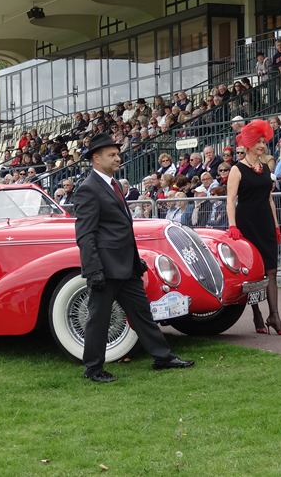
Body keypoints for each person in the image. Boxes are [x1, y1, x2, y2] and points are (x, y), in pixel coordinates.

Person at [73, 133, 194, 383]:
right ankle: (93, 368)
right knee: (99, 318)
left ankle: (162, 356)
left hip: (126, 265)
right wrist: (93, 270)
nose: (118, 158)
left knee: (142, 313)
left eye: (118, 154)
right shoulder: (88, 189)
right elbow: (85, 234)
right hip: (105, 267)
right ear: (96, 159)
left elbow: (123, 229)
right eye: (112, 155)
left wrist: (135, 259)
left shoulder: (114, 185)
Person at [226, 120, 281, 335]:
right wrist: (232, 226)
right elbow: (230, 200)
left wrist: (275, 226)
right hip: (246, 222)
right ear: (248, 145)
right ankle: (256, 313)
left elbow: (270, 199)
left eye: (264, 142)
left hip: (265, 221)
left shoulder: (265, 168)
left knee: (271, 271)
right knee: (254, 273)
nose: (262, 145)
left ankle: (274, 317)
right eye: (258, 142)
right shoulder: (237, 169)